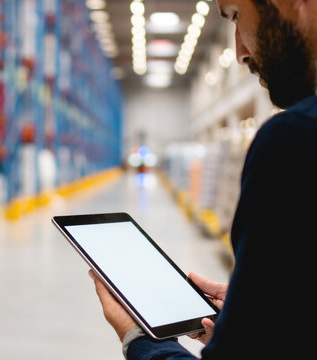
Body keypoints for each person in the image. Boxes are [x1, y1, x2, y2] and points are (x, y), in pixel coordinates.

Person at [90, 0, 317, 359]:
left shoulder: (296, 141)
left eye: (237, 16)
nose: (240, 51)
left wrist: (139, 338)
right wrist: (256, 318)